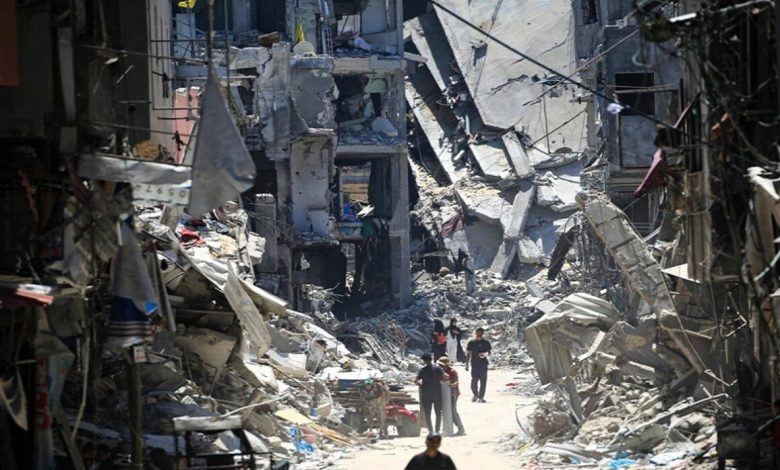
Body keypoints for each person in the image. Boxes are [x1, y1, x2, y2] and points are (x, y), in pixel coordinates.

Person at [414, 353, 449, 434]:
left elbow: (415, 381)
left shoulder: (423, 370)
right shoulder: (437, 369)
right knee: (438, 413)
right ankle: (437, 430)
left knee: (427, 414)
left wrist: (421, 385)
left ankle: (430, 430)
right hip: (437, 394)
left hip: (426, 394)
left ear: (424, 361)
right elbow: (446, 376)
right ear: (431, 359)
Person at [437, 357, 465, 436]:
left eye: (441, 365)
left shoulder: (452, 372)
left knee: (452, 411)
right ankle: (446, 428)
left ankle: (460, 428)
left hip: (453, 394)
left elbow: (456, 383)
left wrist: (450, 385)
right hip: (443, 394)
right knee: (444, 411)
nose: (440, 366)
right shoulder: (440, 372)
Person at [465, 327, 492, 403]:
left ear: (483, 333)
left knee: (483, 382)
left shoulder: (486, 342)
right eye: (478, 332)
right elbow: (468, 353)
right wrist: (466, 364)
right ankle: (475, 394)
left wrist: (485, 354)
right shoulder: (471, 342)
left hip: (483, 365)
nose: (479, 334)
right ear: (476, 333)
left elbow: (489, 352)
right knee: (474, 381)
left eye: (481, 332)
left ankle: (481, 397)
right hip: (474, 364)